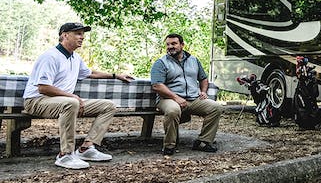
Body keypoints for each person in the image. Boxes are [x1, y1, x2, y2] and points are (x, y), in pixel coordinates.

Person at [23, 22, 134, 170]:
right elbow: (43, 88)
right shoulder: (50, 56)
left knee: (108, 106)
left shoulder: (75, 58)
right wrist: (72, 97)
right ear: (64, 35)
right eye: (78, 33)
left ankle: (86, 148)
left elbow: (90, 73)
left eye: (83, 34)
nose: (82, 37)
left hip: (65, 101)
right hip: (37, 101)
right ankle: (65, 155)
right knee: (71, 103)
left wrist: (116, 75)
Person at [150, 33, 223, 156]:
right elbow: (157, 85)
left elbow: (203, 79)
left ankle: (203, 142)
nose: (170, 46)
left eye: (174, 43)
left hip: (193, 98)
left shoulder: (194, 60)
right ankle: (169, 146)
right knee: (173, 110)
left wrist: (203, 92)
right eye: (168, 44)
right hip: (168, 99)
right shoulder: (160, 63)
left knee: (216, 107)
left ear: (182, 45)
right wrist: (176, 98)